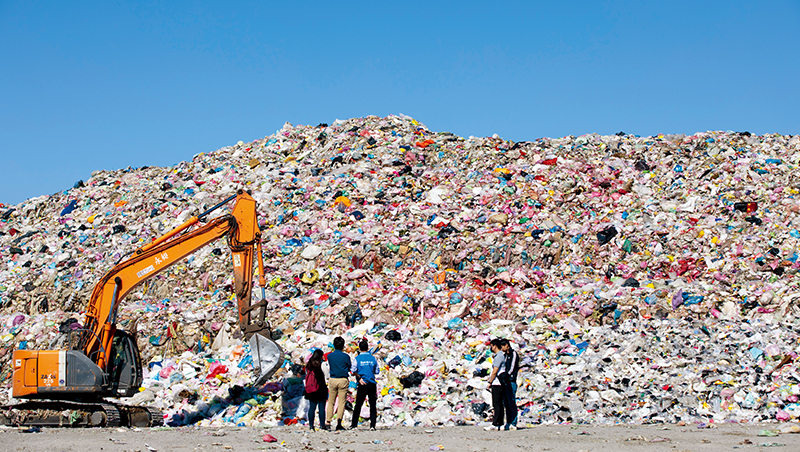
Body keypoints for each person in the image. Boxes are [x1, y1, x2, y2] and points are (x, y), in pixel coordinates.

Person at [350, 339, 379, 430]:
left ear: (359, 348)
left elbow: (352, 370)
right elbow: (377, 371)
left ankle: (354, 424)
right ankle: (373, 425)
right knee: (372, 405)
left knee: (358, 404)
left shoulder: (357, 359)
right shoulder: (373, 358)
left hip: (362, 383)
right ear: (367, 348)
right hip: (371, 383)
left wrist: (359, 377)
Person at [325, 336, 352, 431]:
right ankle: (339, 422)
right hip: (343, 380)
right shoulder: (346, 356)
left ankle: (328, 422)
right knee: (341, 402)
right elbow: (349, 367)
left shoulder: (330, 356)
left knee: (331, 402)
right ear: (343, 345)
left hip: (333, 379)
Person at [485, 339, 507, 430]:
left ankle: (495, 424)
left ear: (494, 346)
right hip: (500, 383)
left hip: (497, 383)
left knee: (496, 404)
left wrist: (490, 382)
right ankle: (500, 424)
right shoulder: (501, 355)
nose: (491, 348)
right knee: (500, 404)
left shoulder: (498, 356)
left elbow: (495, 371)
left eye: (491, 346)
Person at [304, 349, 329, 431]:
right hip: (321, 388)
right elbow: (327, 376)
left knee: (312, 408)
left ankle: (311, 426)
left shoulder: (308, 365)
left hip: (311, 389)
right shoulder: (322, 365)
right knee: (321, 407)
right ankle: (322, 425)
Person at [500, 338, 519, 430]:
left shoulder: (514, 354)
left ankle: (513, 422)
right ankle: (508, 422)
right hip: (505, 382)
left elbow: (513, 367)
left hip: (511, 381)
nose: (501, 349)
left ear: (506, 345)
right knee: (506, 403)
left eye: (502, 346)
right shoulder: (505, 355)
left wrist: (507, 375)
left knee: (512, 402)